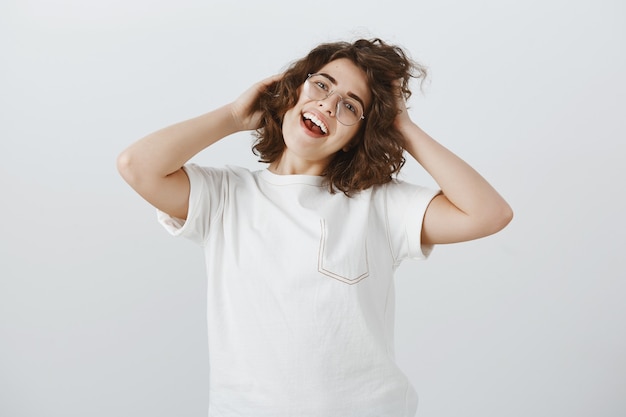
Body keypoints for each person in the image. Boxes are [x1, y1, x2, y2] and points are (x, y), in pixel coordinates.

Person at [117, 38, 513, 417]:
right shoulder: (225, 196)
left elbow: (488, 213)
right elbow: (137, 166)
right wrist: (234, 117)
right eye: (321, 85)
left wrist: (402, 126)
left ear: (357, 135)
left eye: (350, 106)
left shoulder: (379, 204)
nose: (328, 102)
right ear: (293, 93)